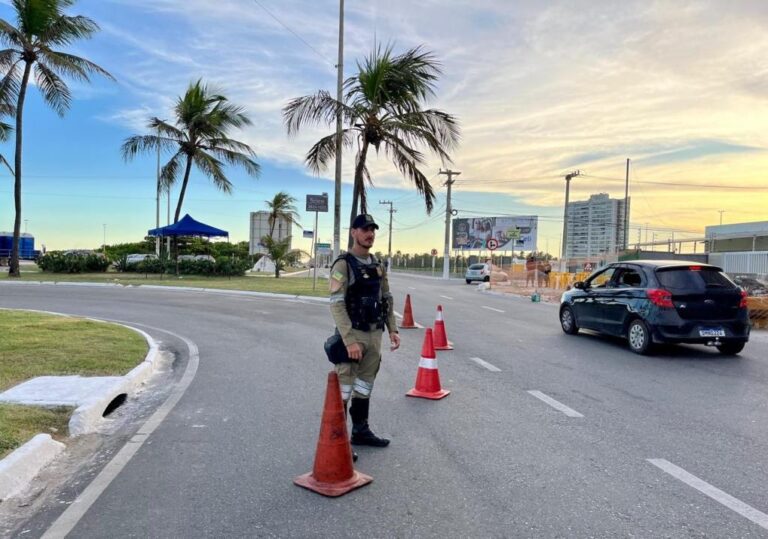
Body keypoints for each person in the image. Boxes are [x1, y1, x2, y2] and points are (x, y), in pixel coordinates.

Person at [329, 214, 401, 451]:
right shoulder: (343, 264)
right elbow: (337, 304)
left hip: (374, 336)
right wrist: (349, 341)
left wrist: (393, 329)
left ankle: (360, 431)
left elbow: (386, 298)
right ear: (354, 232)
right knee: (344, 389)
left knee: (364, 386)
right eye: (364, 229)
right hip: (354, 336)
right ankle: (336, 443)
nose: (369, 234)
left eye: (372, 230)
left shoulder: (378, 265)